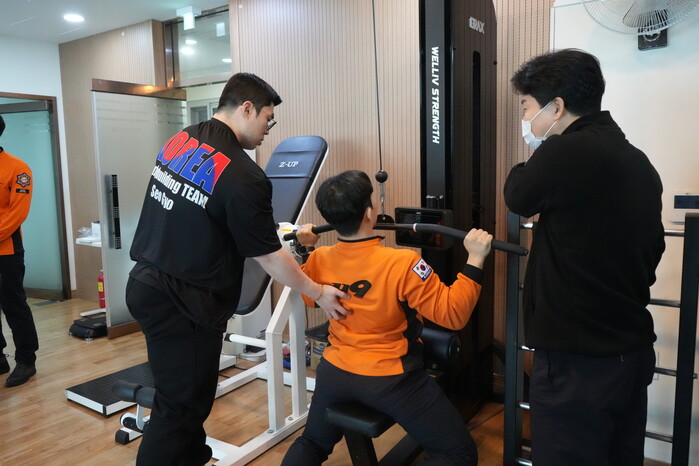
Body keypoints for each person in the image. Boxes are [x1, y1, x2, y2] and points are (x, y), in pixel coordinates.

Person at [126, 73, 349, 465]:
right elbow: (269, 257)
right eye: (267, 118)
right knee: (179, 409)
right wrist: (317, 292)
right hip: (183, 305)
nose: (268, 129)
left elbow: (202, 212)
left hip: (145, 284)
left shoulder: (182, 140)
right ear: (247, 108)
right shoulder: (246, 176)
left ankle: (192, 457)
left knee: (185, 398)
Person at [504, 49, 665, 465]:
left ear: (556, 107)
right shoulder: (640, 163)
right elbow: (654, 250)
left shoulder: (562, 153)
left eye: (527, 107)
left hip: (576, 362)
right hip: (631, 353)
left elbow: (518, 194)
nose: (526, 119)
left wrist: (535, 154)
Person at [281, 170, 492, 465]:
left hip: (334, 372)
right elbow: (453, 314)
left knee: (312, 442)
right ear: (370, 213)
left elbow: (308, 297)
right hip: (390, 378)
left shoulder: (319, 257)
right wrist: (476, 258)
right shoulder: (402, 263)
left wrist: (308, 247)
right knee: (459, 454)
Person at [0, 115, 40, 388]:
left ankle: (26, 360)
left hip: (7, 251)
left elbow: (17, 213)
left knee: (13, 305)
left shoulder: (17, 169)